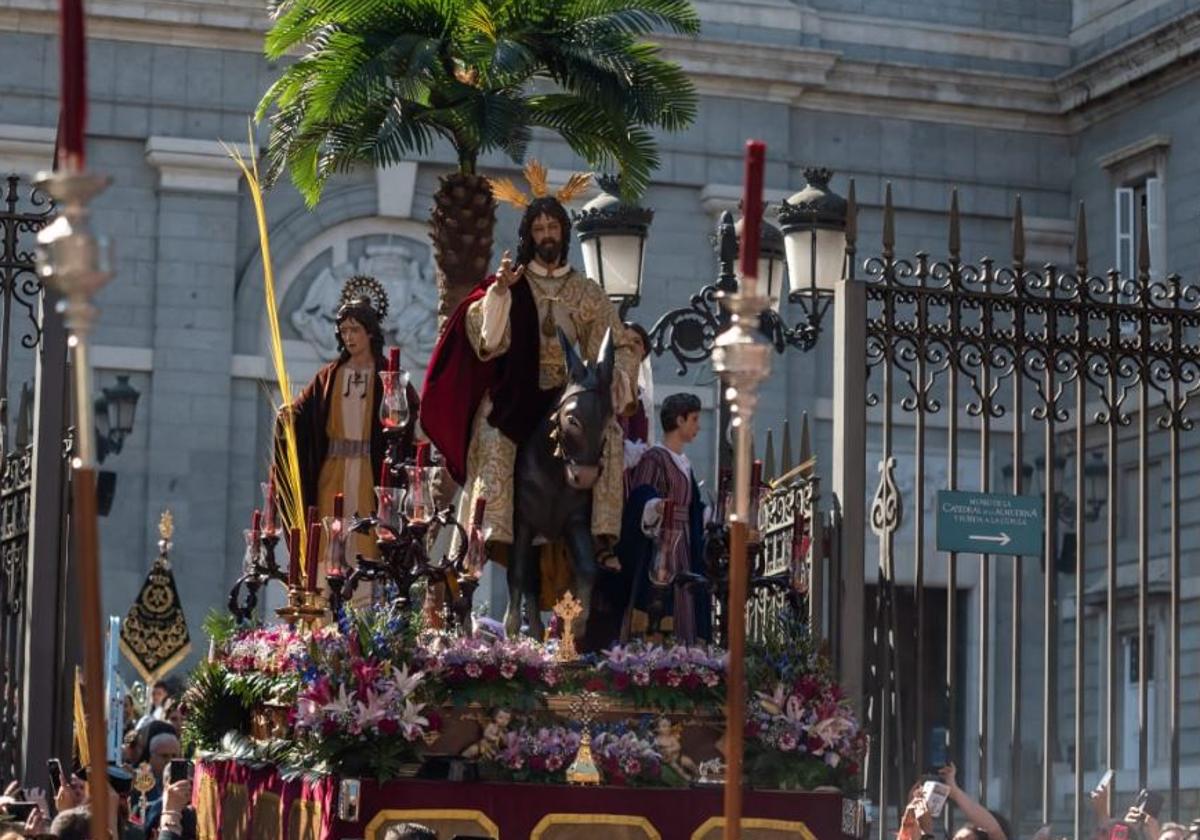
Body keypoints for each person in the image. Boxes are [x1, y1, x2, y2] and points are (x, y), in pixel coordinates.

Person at [421, 179, 639, 577]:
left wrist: (619, 377)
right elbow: (485, 337)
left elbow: (618, 342)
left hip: (569, 395)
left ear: (564, 233)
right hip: (518, 393)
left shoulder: (587, 292)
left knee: (609, 437)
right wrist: (500, 295)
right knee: (491, 439)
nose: (546, 236)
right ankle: (486, 532)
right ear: (528, 236)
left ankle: (603, 538)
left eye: (552, 228)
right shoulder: (513, 284)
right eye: (538, 230)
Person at [281, 276, 420, 569]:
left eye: (355, 330)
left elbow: (412, 420)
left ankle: (366, 610)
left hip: (371, 475)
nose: (349, 337)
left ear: (370, 333)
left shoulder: (389, 377)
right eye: (343, 330)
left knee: (368, 542)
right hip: (332, 473)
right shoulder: (327, 377)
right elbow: (302, 415)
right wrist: (289, 417)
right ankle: (324, 609)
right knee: (329, 544)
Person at [614, 393, 712, 643]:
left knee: (687, 595)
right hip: (662, 545)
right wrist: (655, 506)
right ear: (679, 420)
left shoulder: (684, 463)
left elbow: (694, 506)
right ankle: (657, 660)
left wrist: (712, 514)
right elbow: (640, 494)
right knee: (663, 598)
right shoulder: (655, 457)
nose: (698, 426)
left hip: (687, 543)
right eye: (694, 419)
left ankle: (686, 656)